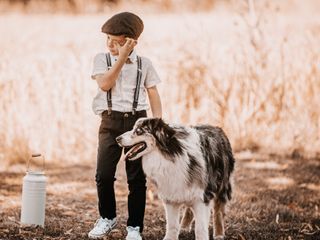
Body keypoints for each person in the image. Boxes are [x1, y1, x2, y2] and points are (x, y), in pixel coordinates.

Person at [88, 12, 162, 240]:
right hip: (110, 122)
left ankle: (134, 227)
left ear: (131, 42)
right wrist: (121, 56)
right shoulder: (102, 59)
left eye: (116, 40)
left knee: (137, 178)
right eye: (107, 38)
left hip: (137, 122)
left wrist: (156, 125)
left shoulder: (144, 64)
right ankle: (107, 218)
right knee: (103, 174)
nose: (110, 44)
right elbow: (105, 84)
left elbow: (153, 94)